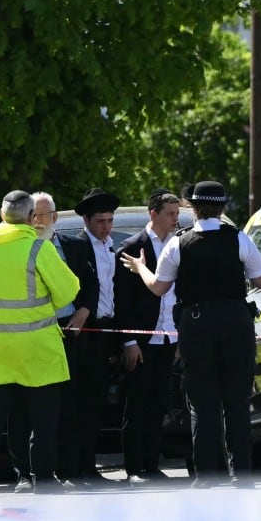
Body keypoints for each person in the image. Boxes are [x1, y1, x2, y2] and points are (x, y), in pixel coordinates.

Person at [120, 180, 261, 488]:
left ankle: (207, 475)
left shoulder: (178, 243)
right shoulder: (238, 239)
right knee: (237, 401)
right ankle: (241, 474)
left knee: (202, 402)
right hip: (235, 323)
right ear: (222, 207)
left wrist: (139, 268)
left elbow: (159, 287)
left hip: (195, 324)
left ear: (193, 209)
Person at [0, 190, 80, 495]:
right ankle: (43, 477)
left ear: (2, 215)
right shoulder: (39, 248)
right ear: (30, 218)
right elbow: (68, 292)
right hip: (37, 349)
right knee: (43, 419)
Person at [113, 189, 182, 484]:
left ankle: (152, 465)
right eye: (170, 214)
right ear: (153, 214)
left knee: (158, 404)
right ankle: (134, 468)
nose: (175, 220)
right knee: (137, 404)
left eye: (178, 214)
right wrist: (129, 342)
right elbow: (123, 302)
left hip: (169, 337)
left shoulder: (180, 246)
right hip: (142, 342)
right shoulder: (132, 247)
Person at [54, 187, 122, 486]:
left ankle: (88, 467)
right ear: (86, 221)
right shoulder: (76, 247)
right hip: (80, 331)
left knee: (95, 403)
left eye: (109, 220)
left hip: (106, 331)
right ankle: (69, 469)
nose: (105, 227)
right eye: (99, 221)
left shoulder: (113, 249)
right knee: (73, 403)